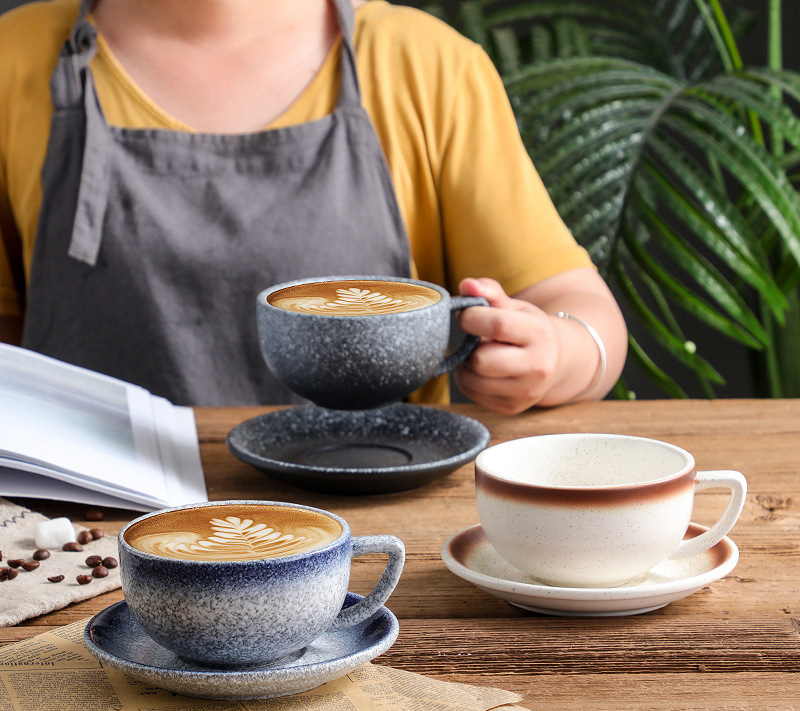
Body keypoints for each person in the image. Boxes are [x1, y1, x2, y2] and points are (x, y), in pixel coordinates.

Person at [0, 0, 627, 413]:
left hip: (379, 540)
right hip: (84, 547)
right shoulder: (14, 59)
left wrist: (558, 353)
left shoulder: (427, 68)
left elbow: (582, 308)